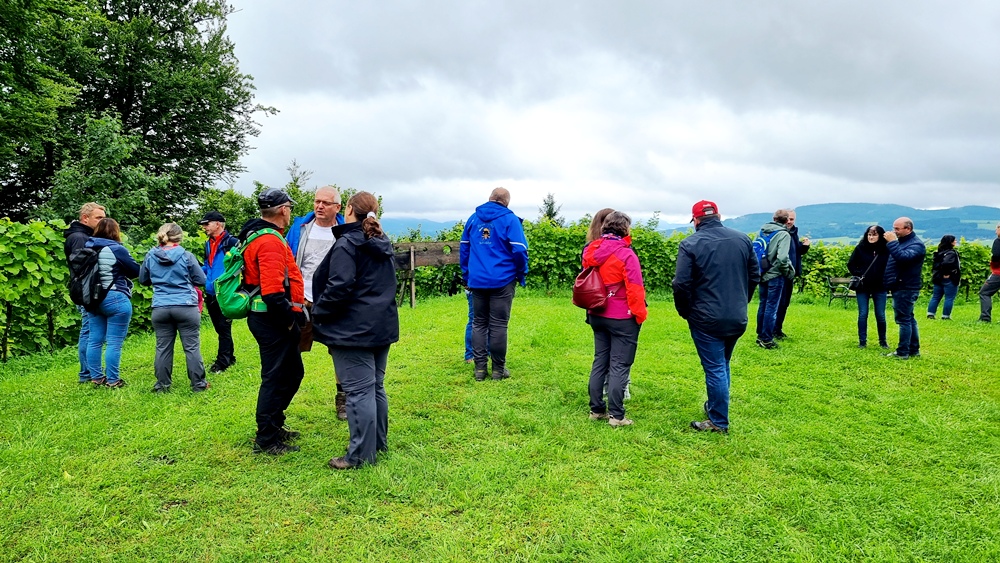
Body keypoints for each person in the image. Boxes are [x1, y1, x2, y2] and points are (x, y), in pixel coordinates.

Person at [312, 191, 399, 469]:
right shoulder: (382, 243)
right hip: (380, 325)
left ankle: (361, 454)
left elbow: (340, 286)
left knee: (360, 391)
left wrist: (318, 312)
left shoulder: (348, 244)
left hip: (352, 330)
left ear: (348, 209)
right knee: (375, 388)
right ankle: (377, 444)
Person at [673, 200, 759, 434]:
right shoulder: (742, 239)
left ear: (696, 220)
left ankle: (718, 420)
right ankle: (715, 407)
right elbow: (754, 276)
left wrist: (685, 311)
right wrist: (743, 300)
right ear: (719, 216)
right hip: (736, 314)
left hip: (705, 317)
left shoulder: (690, 244)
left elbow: (681, 284)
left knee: (715, 368)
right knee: (722, 364)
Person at [240, 188, 307, 455]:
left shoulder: (260, 235)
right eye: (289, 208)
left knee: (291, 373)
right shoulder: (268, 241)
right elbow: (272, 291)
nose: (290, 212)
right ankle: (266, 438)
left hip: (270, 318)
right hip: (272, 320)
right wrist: (291, 321)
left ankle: (275, 425)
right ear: (282, 210)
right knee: (275, 377)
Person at [286, 185, 348, 420]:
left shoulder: (343, 231)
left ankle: (342, 399)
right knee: (291, 350)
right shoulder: (300, 229)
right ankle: (281, 399)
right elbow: (289, 260)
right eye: (316, 201)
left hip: (331, 303)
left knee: (339, 351)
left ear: (337, 207)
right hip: (301, 301)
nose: (319, 206)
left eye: (325, 203)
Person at [582, 211, 647, 427]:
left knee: (600, 360)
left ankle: (596, 409)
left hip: (597, 312)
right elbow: (635, 289)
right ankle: (617, 416)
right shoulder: (626, 255)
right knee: (619, 365)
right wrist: (640, 315)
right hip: (621, 315)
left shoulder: (592, 251)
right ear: (626, 229)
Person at [459, 187, 529, 381]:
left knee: (479, 323)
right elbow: (520, 250)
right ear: (506, 201)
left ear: (490, 199)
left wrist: (467, 274)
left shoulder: (473, 219)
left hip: (477, 280)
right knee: (499, 325)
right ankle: (498, 370)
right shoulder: (510, 220)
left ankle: (479, 369)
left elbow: (464, 249)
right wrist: (521, 272)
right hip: (503, 279)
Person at [139, 223, 209, 392]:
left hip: (161, 306)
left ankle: (162, 386)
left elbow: (143, 280)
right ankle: (198, 384)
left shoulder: (150, 255)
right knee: (191, 347)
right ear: (179, 236)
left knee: (163, 347)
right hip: (185, 305)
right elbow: (202, 279)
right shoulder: (186, 255)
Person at [85, 218, 140, 388]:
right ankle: (113, 380)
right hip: (115, 296)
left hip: (92, 298)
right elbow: (135, 270)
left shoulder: (87, 247)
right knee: (114, 342)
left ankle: (96, 377)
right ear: (116, 231)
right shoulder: (116, 249)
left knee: (94, 340)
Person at [63, 202, 107, 383]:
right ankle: (87, 373)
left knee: (89, 331)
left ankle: (88, 372)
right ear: (85, 218)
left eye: (104, 218)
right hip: (86, 291)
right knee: (89, 332)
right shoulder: (80, 237)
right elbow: (82, 265)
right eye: (98, 218)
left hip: (86, 290)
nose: (102, 222)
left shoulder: (82, 235)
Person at [199, 211, 240, 373]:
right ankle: (230, 356)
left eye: (206, 223)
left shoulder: (232, 242)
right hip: (210, 290)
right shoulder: (208, 243)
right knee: (220, 328)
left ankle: (222, 363)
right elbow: (207, 265)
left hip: (225, 292)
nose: (204, 227)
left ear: (218, 224)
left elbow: (240, 266)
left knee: (223, 327)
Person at [883, 217, 927, 359]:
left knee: (903, 320)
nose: (894, 231)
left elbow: (903, 258)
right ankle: (913, 349)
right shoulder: (904, 242)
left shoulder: (916, 245)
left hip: (906, 286)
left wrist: (892, 243)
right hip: (901, 285)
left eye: (897, 229)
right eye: (894, 228)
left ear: (908, 229)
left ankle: (903, 352)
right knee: (909, 318)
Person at [755, 209, 794, 349]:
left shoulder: (762, 231)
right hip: (775, 275)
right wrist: (785, 271)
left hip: (762, 273)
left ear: (774, 218)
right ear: (786, 220)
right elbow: (782, 257)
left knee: (763, 305)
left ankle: (760, 335)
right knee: (772, 307)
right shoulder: (783, 234)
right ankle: (766, 339)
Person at [847, 225, 890, 348]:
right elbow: (851, 264)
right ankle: (862, 341)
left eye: (874, 235)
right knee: (863, 314)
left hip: (880, 286)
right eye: (869, 234)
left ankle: (883, 341)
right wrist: (858, 274)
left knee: (880, 315)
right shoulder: (861, 248)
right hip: (863, 286)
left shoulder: (886, 249)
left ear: (880, 236)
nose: (871, 237)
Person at [773, 209, 810, 339]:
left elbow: (795, 252)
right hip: (779, 273)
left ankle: (778, 329)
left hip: (790, 274)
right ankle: (771, 330)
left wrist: (804, 247)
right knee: (776, 303)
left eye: (792, 219)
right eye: (787, 219)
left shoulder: (793, 233)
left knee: (784, 303)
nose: (789, 222)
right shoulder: (779, 233)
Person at [927, 235, 961, 320]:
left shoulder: (939, 252)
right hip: (949, 278)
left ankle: (930, 313)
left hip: (937, 277)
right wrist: (946, 273)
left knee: (936, 296)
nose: (956, 241)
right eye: (954, 240)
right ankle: (946, 316)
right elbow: (946, 263)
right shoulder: (951, 253)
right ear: (950, 242)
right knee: (949, 298)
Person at [978, 223, 1000, 322]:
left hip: (998, 272)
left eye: (997, 229)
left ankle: (985, 318)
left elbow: (996, 255)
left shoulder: (998, 241)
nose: (995, 231)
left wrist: (993, 263)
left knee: (985, 292)